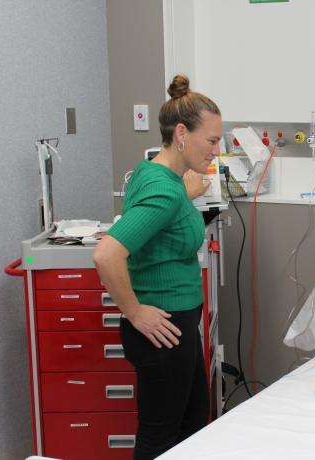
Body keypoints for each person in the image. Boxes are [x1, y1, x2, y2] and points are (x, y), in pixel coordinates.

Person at [93, 74, 221, 460]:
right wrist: (134, 313)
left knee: (192, 427)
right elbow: (107, 253)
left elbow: (160, 212)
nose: (217, 150)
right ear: (182, 133)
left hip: (176, 327)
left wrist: (186, 192)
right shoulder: (165, 190)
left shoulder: (156, 174)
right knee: (161, 436)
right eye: (212, 140)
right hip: (162, 329)